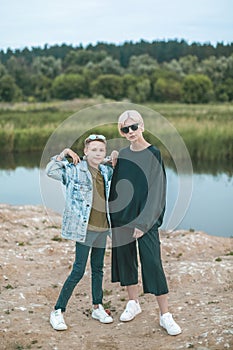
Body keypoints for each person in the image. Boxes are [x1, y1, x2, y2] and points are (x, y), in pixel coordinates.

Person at [109, 110, 181, 336]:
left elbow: (158, 191)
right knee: (127, 261)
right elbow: (118, 187)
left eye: (133, 127)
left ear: (142, 126)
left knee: (152, 262)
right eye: (124, 129)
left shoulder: (154, 153)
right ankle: (133, 303)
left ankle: (165, 315)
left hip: (145, 221)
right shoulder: (121, 154)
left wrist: (144, 223)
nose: (129, 132)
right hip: (122, 218)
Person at [46, 134, 114, 331]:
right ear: (85, 151)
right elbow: (50, 171)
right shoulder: (74, 170)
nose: (98, 153)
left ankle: (97, 306)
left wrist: (115, 156)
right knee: (78, 270)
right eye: (93, 149)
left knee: (98, 269)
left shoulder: (106, 171)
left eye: (101, 150)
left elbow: (115, 166)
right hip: (84, 230)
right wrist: (64, 153)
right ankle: (58, 310)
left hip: (103, 229)